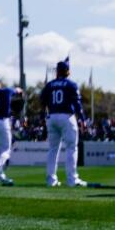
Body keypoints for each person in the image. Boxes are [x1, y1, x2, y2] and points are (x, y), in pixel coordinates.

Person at [41, 59, 87, 187]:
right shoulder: (71, 84)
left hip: (51, 116)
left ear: (57, 71)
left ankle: (51, 180)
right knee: (71, 147)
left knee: (53, 149)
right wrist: (82, 119)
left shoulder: (49, 85)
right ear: (67, 71)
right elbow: (77, 103)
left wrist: (42, 118)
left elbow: (42, 102)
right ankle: (72, 179)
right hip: (66, 117)